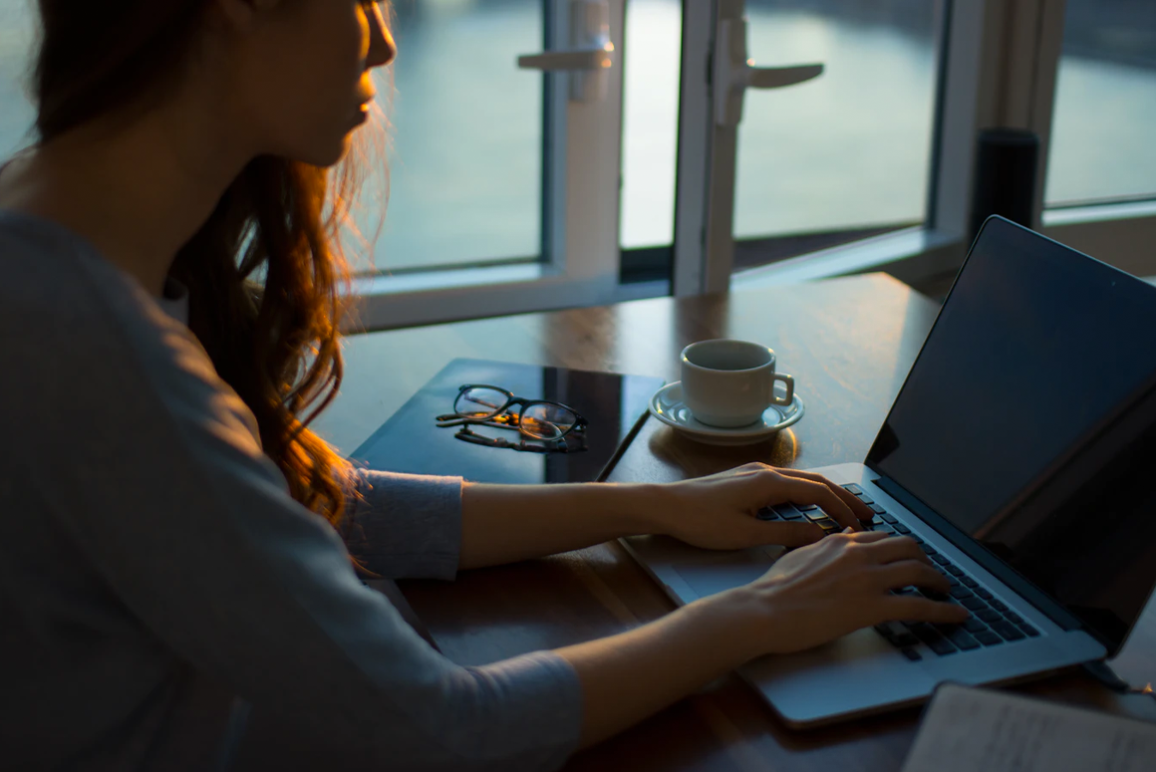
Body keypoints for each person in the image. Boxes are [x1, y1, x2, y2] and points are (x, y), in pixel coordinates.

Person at [0, 1, 968, 769]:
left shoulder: (45, 238)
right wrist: (757, 612)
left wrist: (655, 506)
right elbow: (442, 730)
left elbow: (308, 508)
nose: (381, 37)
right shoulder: (97, 349)